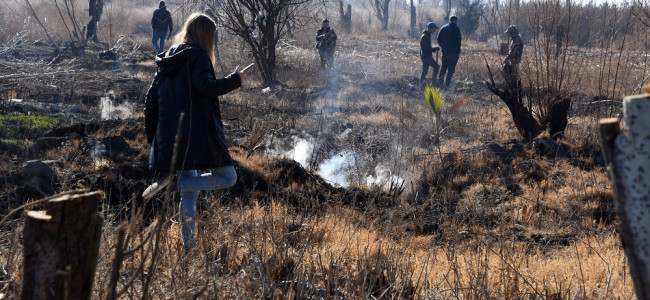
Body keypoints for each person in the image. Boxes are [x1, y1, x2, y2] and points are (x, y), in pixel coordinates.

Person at [143, 13, 253, 250]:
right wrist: (236, 79)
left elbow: (150, 100)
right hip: (195, 135)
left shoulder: (169, 57)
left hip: (170, 136)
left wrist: (153, 138)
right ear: (206, 35)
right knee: (228, 178)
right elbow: (206, 88)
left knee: (190, 191)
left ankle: (188, 246)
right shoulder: (199, 56)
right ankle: (175, 187)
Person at [436, 15, 462, 88]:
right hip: (453, 53)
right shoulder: (456, 28)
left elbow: (438, 39)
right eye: (457, 21)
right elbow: (458, 41)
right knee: (451, 70)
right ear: (455, 20)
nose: (457, 22)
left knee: (443, 68)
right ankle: (447, 85)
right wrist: (457, 52)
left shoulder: (443, 28)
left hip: (445, 52)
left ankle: (440, 83)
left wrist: (443, 47)